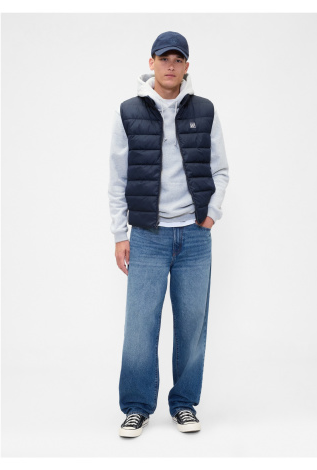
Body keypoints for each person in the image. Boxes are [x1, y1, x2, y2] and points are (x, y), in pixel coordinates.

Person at [108, 31, 229, 438]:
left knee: (192, 325)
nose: (171, 66)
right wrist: (119, 233)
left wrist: (210, 215)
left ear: (187, 66)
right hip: (147, 235)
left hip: (195, 237)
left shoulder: (205, 110)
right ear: (152, 63)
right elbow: (117, 177)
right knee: (140, 325)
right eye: (164, 59)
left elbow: (220, 169)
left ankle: (184, 405)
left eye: (178, 59)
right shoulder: (128, 111)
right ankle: (137, 407)